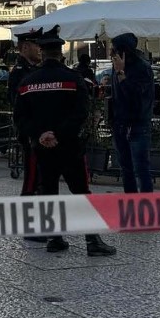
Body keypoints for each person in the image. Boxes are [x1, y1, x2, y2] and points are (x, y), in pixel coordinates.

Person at [13, 28, 116, 257]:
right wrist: (58, 134)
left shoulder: (28, 81)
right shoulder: (73, 78)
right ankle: (92, 240)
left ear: (42, 52)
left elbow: (19, 117)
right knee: (81, 192)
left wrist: (41, 134)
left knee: (48, 191)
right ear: (60, 53)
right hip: (69, 146)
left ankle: (55, 238)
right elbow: (81, 112)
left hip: (42, 148)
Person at [109, 33, 155, 194]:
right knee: (126, 168)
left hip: (137, 125)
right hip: (120, 124)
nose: (111, 53)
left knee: (141, 168)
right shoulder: (116, 67)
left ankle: (145, 203)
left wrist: (121, 74)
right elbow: (117, 96)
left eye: (114, 50)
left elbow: (136, 98)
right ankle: (131, 201)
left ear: (123, 52)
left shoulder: (141, 68)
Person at [7, 29, 45, 203]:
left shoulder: (34, 69)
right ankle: (28, 203)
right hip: (30, 130)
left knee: (40, 174)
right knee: (31, 175)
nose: (40, 49)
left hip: (39, 129)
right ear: (25, 47)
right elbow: (17, 103)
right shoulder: (20, 72)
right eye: (37, 45)